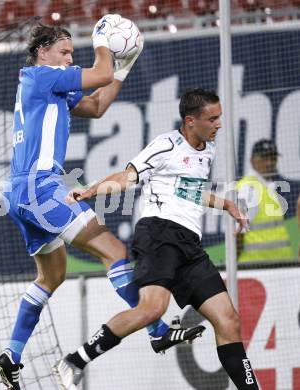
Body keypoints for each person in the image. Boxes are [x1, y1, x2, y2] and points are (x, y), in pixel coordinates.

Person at [0, 15, 201, 390]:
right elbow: (100, 72)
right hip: (41, 189)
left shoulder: (47, 84)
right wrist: (104, 40)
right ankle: (155, 329)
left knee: (51, 276)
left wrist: (123, 67)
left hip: (19, 194)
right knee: (115, 252)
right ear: (43, 52)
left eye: (74, 52)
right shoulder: (43, 75)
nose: (72, 58)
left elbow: (97, 104)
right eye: (65, 51)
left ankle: (11, 356)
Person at [58, 89, 259, 389]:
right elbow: (127, 176)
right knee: (152, 309)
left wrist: (227, 204)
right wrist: (90, 191)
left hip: (189, 245)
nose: (219, 124)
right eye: (212, 119)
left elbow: (187, 190)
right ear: (190, 121)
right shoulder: (165, 145)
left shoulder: (207, 150)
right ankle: (75, 360)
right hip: (159, 234)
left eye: (219, 117)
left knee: (228, 320)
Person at [236, 139, 294, 263]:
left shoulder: (269, 186)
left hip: (282, 266)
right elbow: (238, 233)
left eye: (273, 158)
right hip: (255, 268)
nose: (269, 163)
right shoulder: (247, 188)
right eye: (264, 158)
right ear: (252, 161)